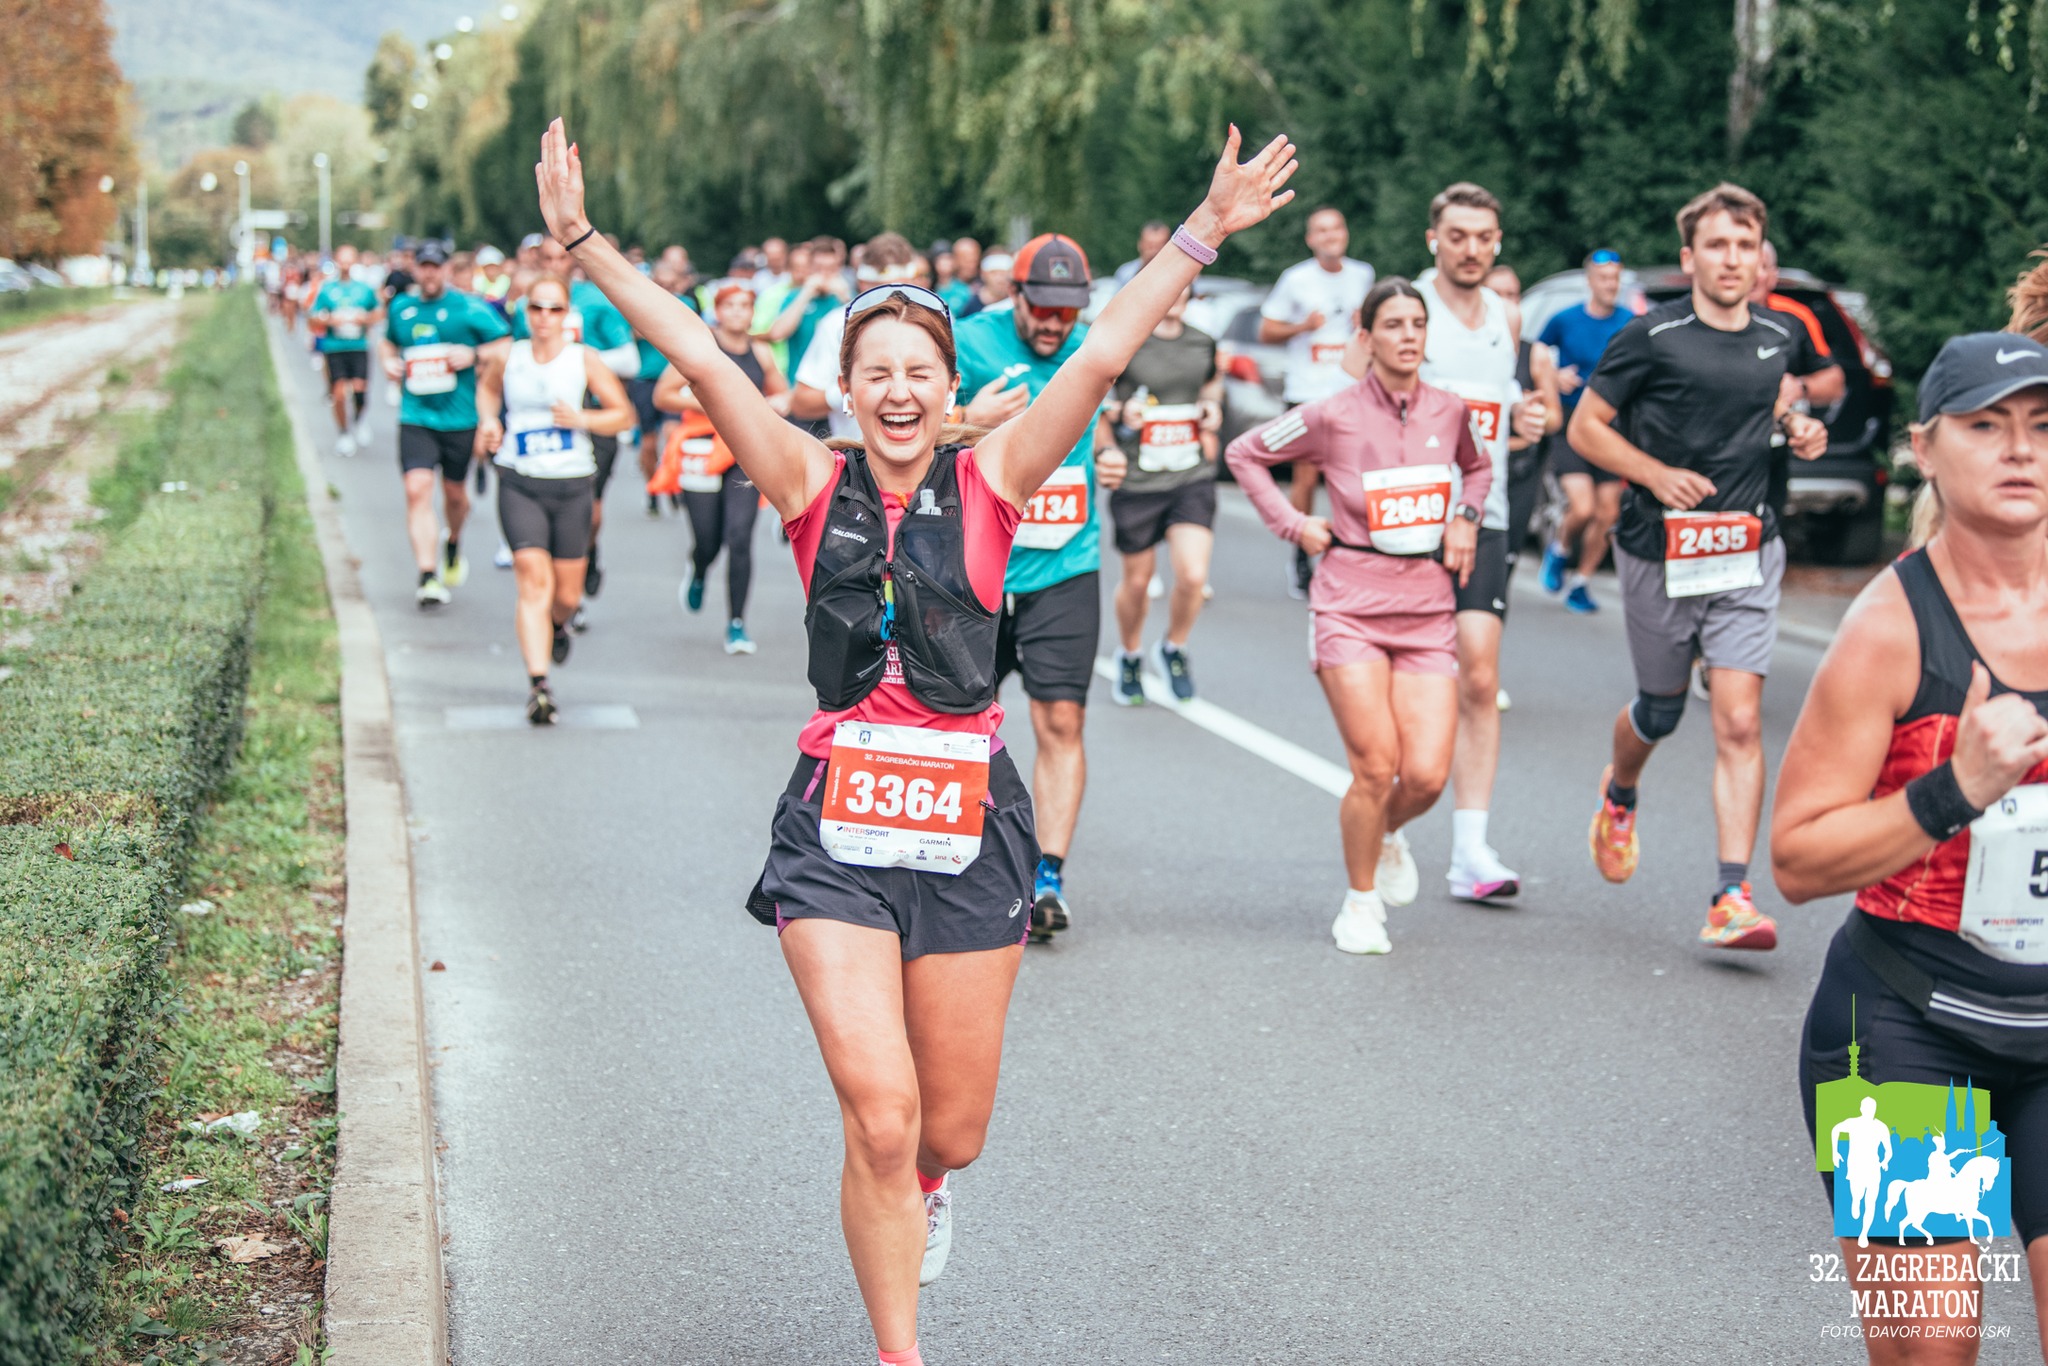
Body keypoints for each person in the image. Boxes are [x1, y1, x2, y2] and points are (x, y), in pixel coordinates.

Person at [536, 114, 1295, 1366]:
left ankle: (930, 1189)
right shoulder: (802, 480)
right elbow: (696, 351)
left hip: (966, 830)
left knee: (948, 1133)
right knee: (879, 1119)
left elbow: (1103, 350)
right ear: (846, 389)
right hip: (834, 827)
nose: (896, 391)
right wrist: (579, 240)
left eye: (917, 373)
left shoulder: (994, 479)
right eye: (873, 371)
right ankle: (901, 1351)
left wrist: (1204, 228)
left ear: (947, 389)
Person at [1774, 332, 2048, 1352]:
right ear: (1925, 450)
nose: (2019, 449)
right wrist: (1953, 790)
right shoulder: (1888, 628)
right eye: (1986, 426)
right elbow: (1796, 860)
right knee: (1931, 1348)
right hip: (1899, 1028)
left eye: (2041, 426)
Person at [1571, 182, 1834, 949]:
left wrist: (1798, 427)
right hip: (1660, 549)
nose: (1732, 259)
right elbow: (1588, 428)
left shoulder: (1779, 338)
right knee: (1660, 710)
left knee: (1741, 719)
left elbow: (1772, 408)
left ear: (1760, 260)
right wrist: (1654, 475)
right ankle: (1620, 793)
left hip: (1747, 547)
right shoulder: (1650, 337)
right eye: (1717, 245)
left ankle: (1730, 895)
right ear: (1689, 257)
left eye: (1745, 247)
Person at [1229, 279, 1488, 953]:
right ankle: (1361, 902)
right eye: (1394, 324)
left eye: (1417, 324)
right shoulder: (1331, 413)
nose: (1408, 336)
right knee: (1376, 766)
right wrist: (1291, 522)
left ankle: (1389, 831)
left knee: (1428, 774)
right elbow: (1245, 454)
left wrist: (1465, 517)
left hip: (1428, 606)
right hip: (1349, 604)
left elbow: (1479, 471)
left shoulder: (1452, 411)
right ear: (1366, 339)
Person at [955, 232, 1129, 942]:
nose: (1056, 323)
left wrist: (1110, 451)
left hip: (1065, 563)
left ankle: (1047, 874)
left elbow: (1099, 414)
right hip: (977, 570)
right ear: (1015, 295)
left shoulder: (1090, 347)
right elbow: (898, 431)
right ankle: (959, 859)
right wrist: (970, 424)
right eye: (1044, 309)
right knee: (964, 722)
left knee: (1061, 722)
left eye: (1069, 311)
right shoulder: (965, 341)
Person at [1413, 182, 1547, 902]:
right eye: (1458, 235)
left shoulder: (1506, 313)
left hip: (1484, 514)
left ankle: (1471, 850)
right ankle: (1393, 816)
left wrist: (1525, 420)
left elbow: (1505, 406)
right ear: (1433, 237)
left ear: (1498, 242)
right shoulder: (1408, 309)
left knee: (1481, 677)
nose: (1471, 249)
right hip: (1406, 523)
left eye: (1484, 237)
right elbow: (1350, 394)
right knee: (1415, 680)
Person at [474, 274, 635, 723]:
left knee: (564, 594)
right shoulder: (509, 355)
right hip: (519, 478)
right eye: (537, 309)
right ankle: (538, 686)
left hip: (572, 484)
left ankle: (559, 625)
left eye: (554, 309)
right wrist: (489, 422)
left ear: (568, 316)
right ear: (527, 314)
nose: (545, 318)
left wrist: (581, 417)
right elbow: (487, 392)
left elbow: (623, 415)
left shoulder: (584, 359)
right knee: (532, 580)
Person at [654, 279, 792, 654]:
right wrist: (716, 403)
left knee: (740, 536)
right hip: (701, 447)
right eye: (729, 306)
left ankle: (737, 624)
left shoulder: (760, 352)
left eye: (744, 306)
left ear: (752, 313)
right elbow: (663, 394)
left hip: (743, 451)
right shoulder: (701, 348)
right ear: (717, 310)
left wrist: (776, 403)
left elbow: (781, 392)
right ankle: (699, 568)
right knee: (708, 539)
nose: (736, 313)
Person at [1105, 283, 1224, 703]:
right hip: (1138, 479)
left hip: (1191, 473)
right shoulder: (1129, 342)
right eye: (1166, 286)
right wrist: (1120, 413)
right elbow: (1099, 397)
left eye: (1182, 287)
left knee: (1193, 575)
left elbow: (1212, 383)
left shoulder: (1202, 341)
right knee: (1137, 583)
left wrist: (1213, 407)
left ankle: (1174, 647)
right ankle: (1131, 653)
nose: (1174, 294)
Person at [377, 241, 512, 607]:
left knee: (455, 495)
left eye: (436, 266)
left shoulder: (468, 308)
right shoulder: (403, 307)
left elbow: (507, 345)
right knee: (417, 489)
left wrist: (474, 354)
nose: (429, 273)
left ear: (447, 269)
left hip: (460, 418)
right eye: (423, 266)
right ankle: (427, 574)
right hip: (416, 415)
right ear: (415, 268)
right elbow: (388, 344)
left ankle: (453, 542)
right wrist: (388, 362)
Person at [516, 236, 640, 609]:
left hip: (591, 416)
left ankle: (585, 558)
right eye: (547, 258)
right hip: (542, 420)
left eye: (561, 258)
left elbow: (630, 360)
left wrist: (578, 360)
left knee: (591, 510)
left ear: (573, 262)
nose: (555, 265)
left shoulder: (597, 302)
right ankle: (555, 593)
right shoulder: (527, 306)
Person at [1259, 207, 1376, 599]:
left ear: (1345, 233)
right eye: (1321, 230)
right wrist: (1303, 327)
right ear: (1310, 239)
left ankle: (1353, 552)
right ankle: (1301, 554)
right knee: (1307, 479)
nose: (1330, 235)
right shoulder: (1295, 279)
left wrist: (1366, 323)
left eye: (1336, 228)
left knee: (1355, 476)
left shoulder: (1363, 275)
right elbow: (1266, 330)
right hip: (1307, 391)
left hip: (1350, 390)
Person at [1539, 249, 1636, 613]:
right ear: (1590, 280)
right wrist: (1553, 376)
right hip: (1572, 424)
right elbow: (1535, 357)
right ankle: (1560, 549)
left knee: (1608, 512)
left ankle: (1581, 582)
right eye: (1603, 278)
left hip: (1611, 428)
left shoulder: (1630, 322)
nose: (1610, 285)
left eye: (1615, 278)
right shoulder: (1563, 320)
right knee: (1582, 507)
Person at [1484, 263, 1563, 604]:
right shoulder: (1463, 351)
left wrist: (1533, 414)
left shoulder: (1536, 356)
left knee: (1504, 560)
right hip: (1475, 468)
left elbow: (1555, 420)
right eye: (1498, 295)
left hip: (1519, 468)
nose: (1507, 303)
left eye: (1513, 295)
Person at [308, 243, 381, 457]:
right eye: (342, 259)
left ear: (355, 261)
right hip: (335, 347)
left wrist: (364, 319)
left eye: (350, 259)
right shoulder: (328, 289)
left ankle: (359, 420)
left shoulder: (364, 289)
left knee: (360, 390)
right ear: (337, 261)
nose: (346, 264)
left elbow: (378, 313)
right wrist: (330, 320)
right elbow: (313, 317)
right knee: (339, 393)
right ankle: (344, 433)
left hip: (358, 347)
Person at [1112, 221, 1173, 290]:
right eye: (1150, 245)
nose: (1154, 251)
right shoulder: (1124, 272)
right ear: (1140, 244)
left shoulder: (1176, 273)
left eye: (1159, 246)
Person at [940, 236, 981, 313]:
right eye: (966, 260)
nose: (971, 265)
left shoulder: (983, 287)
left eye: (974, 260)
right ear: (954, 260)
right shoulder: (945, 289)